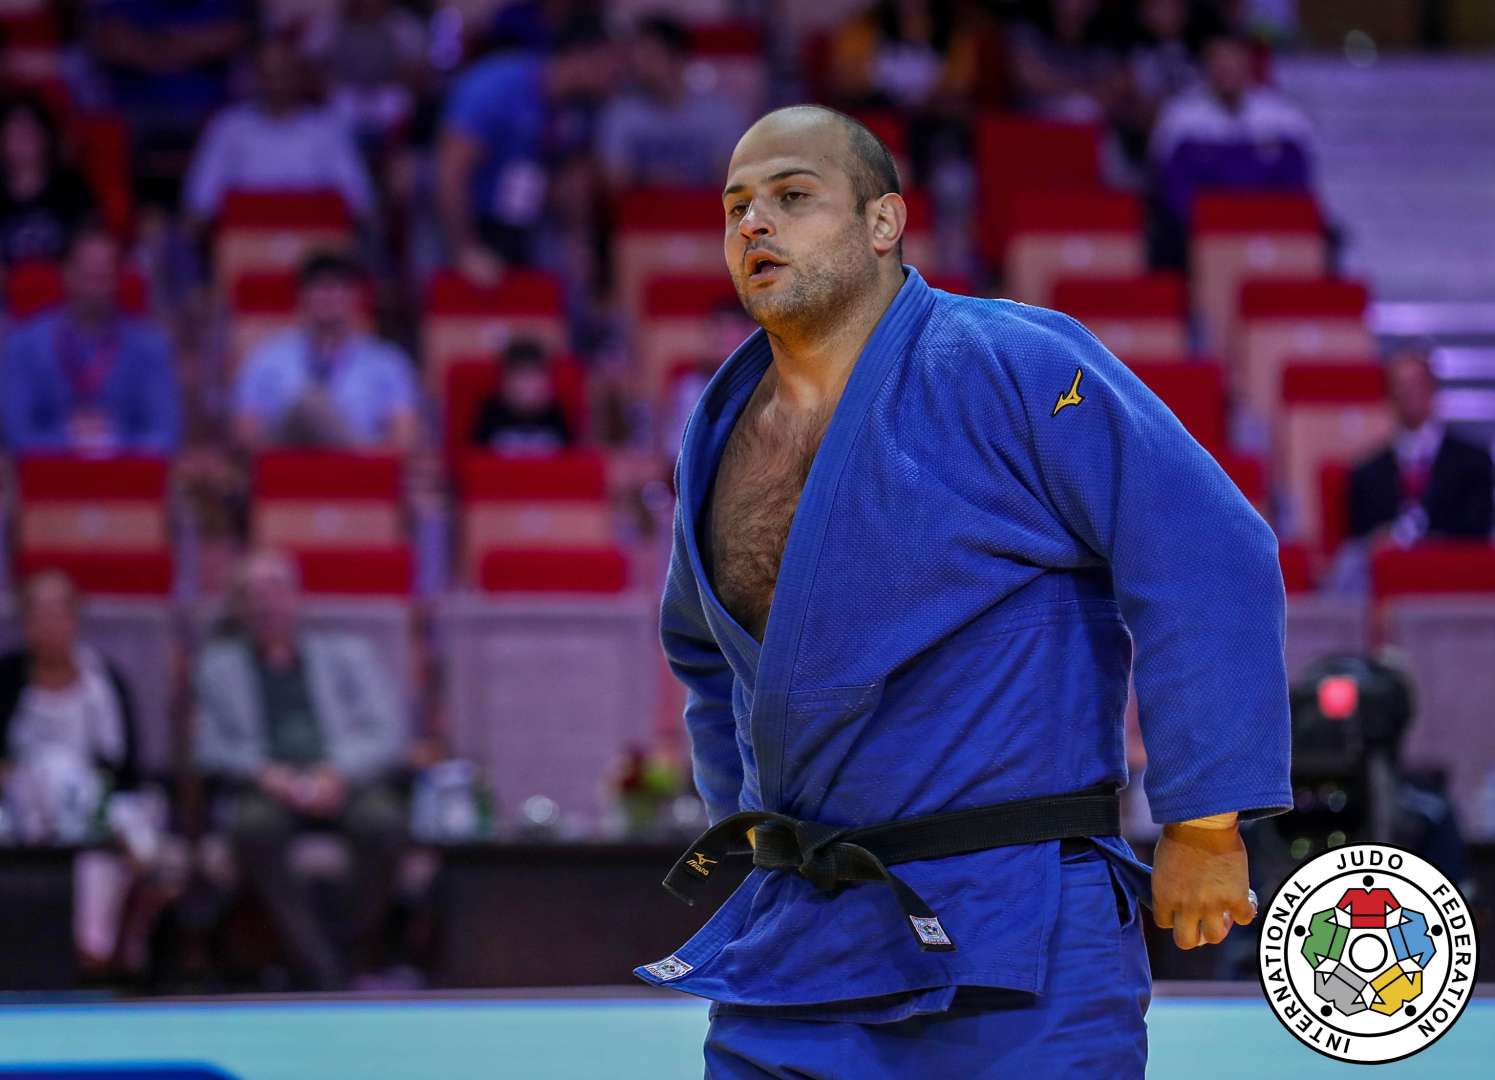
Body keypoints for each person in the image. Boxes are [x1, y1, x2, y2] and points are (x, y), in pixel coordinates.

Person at [639, 106, 1291, 1076]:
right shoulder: (723, 423)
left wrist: (1203, 821)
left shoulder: (1014, 362)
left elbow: (1206, 552)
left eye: (792, 196)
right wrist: (751, 828)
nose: (754, 224)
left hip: (1017, 923)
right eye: (735, 206)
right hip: (801, 940)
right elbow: (706, 652)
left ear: (883, 221)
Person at [193, 549, 409, 991]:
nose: (265, 604)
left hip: (342, 778)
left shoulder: (345, 655)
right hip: (267, 785)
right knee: (252, 829)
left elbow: (387, 731)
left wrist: (338, 772)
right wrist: (266, 773)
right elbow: (209, 746)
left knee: (385, 823)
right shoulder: (218, 666)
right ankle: (324, 967)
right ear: (239, 607)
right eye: (252, 594)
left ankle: (337, 955)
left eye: (274, 591)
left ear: (296, 597)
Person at [0, 570, 142, 968]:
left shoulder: (104, 679)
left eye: (58, 613)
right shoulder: (6, 677)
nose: (48, 624)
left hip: (89, 802)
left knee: (114, 840)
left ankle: (92, 952)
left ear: (76, 619)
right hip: (16, 803)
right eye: (37, 614)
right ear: (24, 622)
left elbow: (123, 766)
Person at [435, 18, 618, 280]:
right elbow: (450, 173)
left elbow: (573, 181)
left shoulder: (583, 109)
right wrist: (465, 249)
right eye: (612, 64)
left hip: (523, 219)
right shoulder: (497, 87)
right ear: (583, 56)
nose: (617, 76)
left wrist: (577, 241)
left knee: (563, 274)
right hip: (463, 214)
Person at [1, 227, 181, 456]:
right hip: (45, 473)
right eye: (88, 275)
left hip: (128, 472)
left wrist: (110, 440)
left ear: (118, 279)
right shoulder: (22, 345)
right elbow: (16, 434)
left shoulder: (151, 347)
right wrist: (67, 438)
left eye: (103, 277)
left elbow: (165, 433)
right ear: (67, 275)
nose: (95, 288)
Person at [1148, 26, 1314, 267]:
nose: (1225, 67)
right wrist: (1211, 219)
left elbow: (1295, 184)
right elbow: (1170, 184)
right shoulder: (1179, 117)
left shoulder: (1283, 117)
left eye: (1233, 58)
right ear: (1205, 65)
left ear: (1248, 63)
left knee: (1325, 234)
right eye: (1217, 59)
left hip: (1268, 223)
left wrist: (1254, 217)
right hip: (1197, 226)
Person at [231, 251, 420, 452]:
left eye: (339, 287)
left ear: (355, 297)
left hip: (359, 464)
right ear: (302, 296)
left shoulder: (387, 361)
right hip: (285, 458)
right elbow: (245, 433)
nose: (329, 296)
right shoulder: (267, 358)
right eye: (319, 287)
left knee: (315, 404)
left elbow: (404, 438)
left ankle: (353, 455)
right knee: (308, 404)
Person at [183, 34, 376, 231]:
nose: (276, 82)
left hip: (316, 239)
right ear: (255, 77)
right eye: (267, 74)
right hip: (246, 238)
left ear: (300, 74)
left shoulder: (328, 128)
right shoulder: (227, 127)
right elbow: (200, 204)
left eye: (284, 72)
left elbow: (360, 204)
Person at [1348, 348, 1494, 546]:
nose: (1407, 393)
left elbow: (1478, 532)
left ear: (1432, 388)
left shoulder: (1473, 463)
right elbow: (1360, 540)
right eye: (1399, 385)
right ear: (1389, 394)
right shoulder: (1367, 473)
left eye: (1415, 384)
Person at [596, 15, 744, 190]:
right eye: (635, 59)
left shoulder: (719, 113)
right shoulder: (621, 113)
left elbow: (733, 179)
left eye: (649, 57)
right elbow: (614, 180)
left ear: (678, 59)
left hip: (702, 205)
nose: (640, 67)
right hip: (643, 205)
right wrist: (648, 179)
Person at [0, 96, 97, 268]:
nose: (23, 142)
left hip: (66, 281)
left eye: (29, 132)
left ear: (46, 136)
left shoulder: (72, 189)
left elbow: (91, 245)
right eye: (14, 134)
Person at [469, 338, 572, 454]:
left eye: (533, 376)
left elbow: (571, 457)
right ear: (505, 381)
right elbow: (475, 458)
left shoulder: (555, 414)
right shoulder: (490, 413)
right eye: (520, 377)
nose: (527, 386)